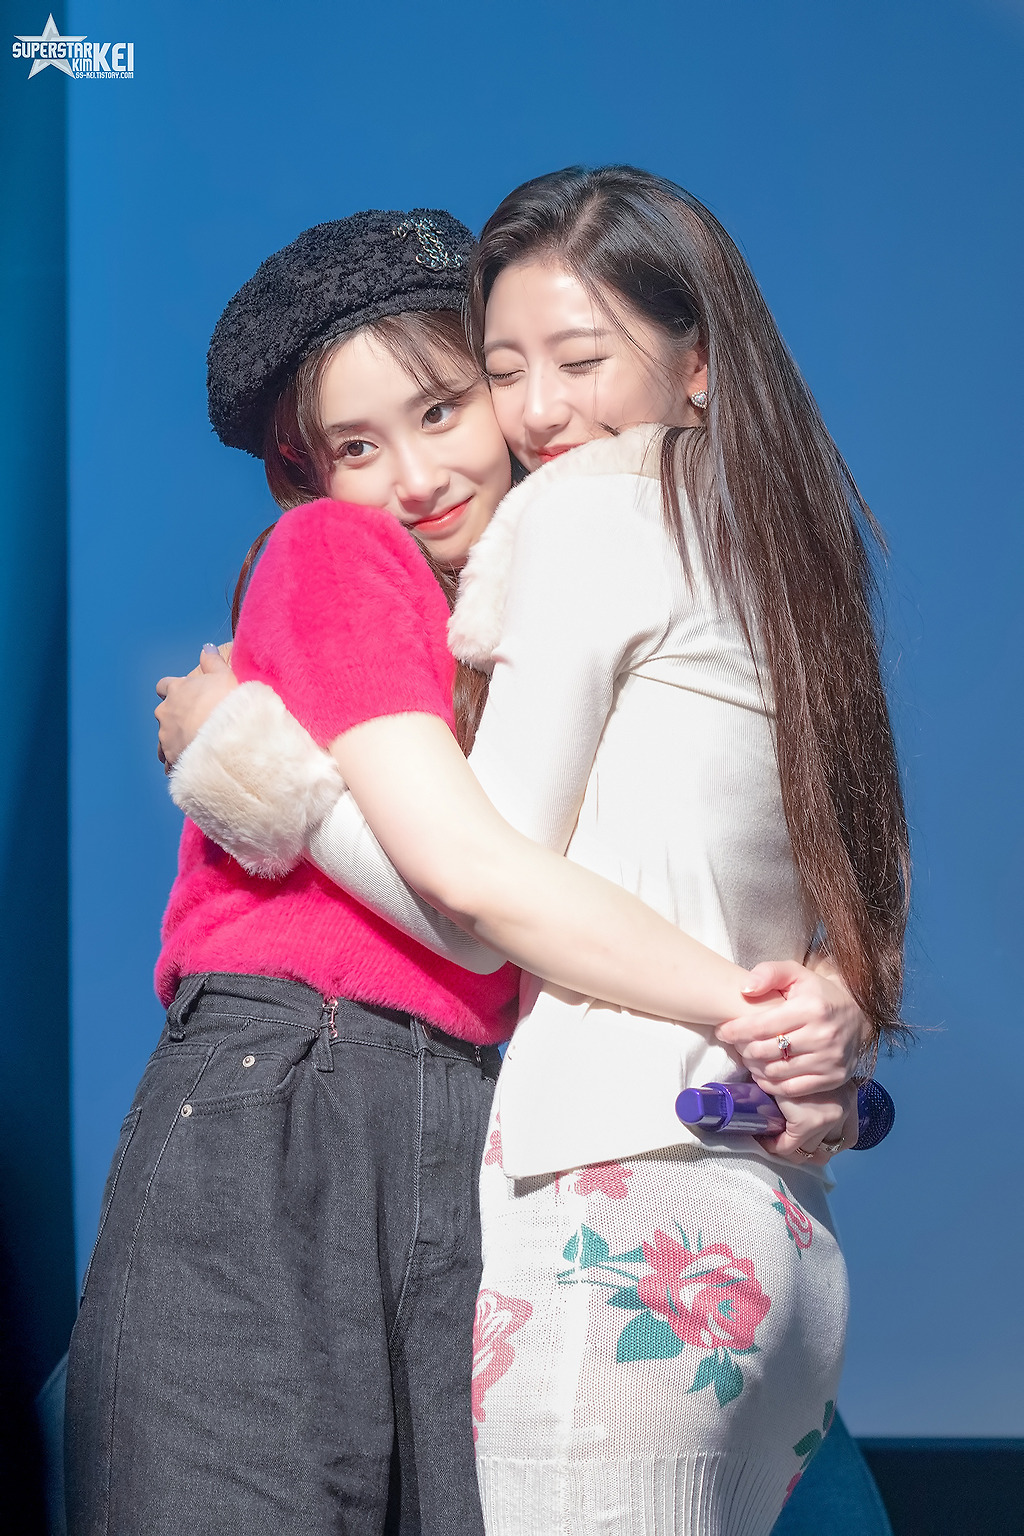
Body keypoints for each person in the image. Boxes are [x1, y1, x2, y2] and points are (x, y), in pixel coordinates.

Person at [67, 207, 859, 1536]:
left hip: (471, 1118)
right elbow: (470, 897)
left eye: (443, 410)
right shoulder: (344, 551)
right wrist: (751, 1006)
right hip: (293, 1085)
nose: (417, 474)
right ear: (307, 473)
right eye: (355, 447)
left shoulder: (553, 598)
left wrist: (824, 989)